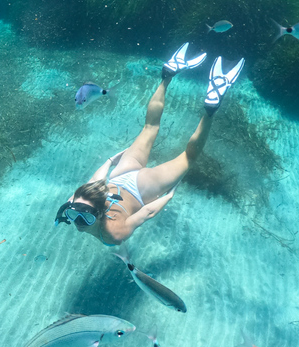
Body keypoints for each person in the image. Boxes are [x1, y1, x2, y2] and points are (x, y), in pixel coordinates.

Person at [55, 43, 245, 246]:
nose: (78, 223)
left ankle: (211, 107)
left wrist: (168, 196)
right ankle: (168, 75)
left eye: (85, 218)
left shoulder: (114, 234)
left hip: (141, 189)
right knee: (149, 128)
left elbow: (147, 212)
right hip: (119, 175)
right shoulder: (76, 201)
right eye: (74, 215)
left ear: (101, 213)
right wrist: (110, 161)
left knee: (189, 157)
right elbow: (96, 180)